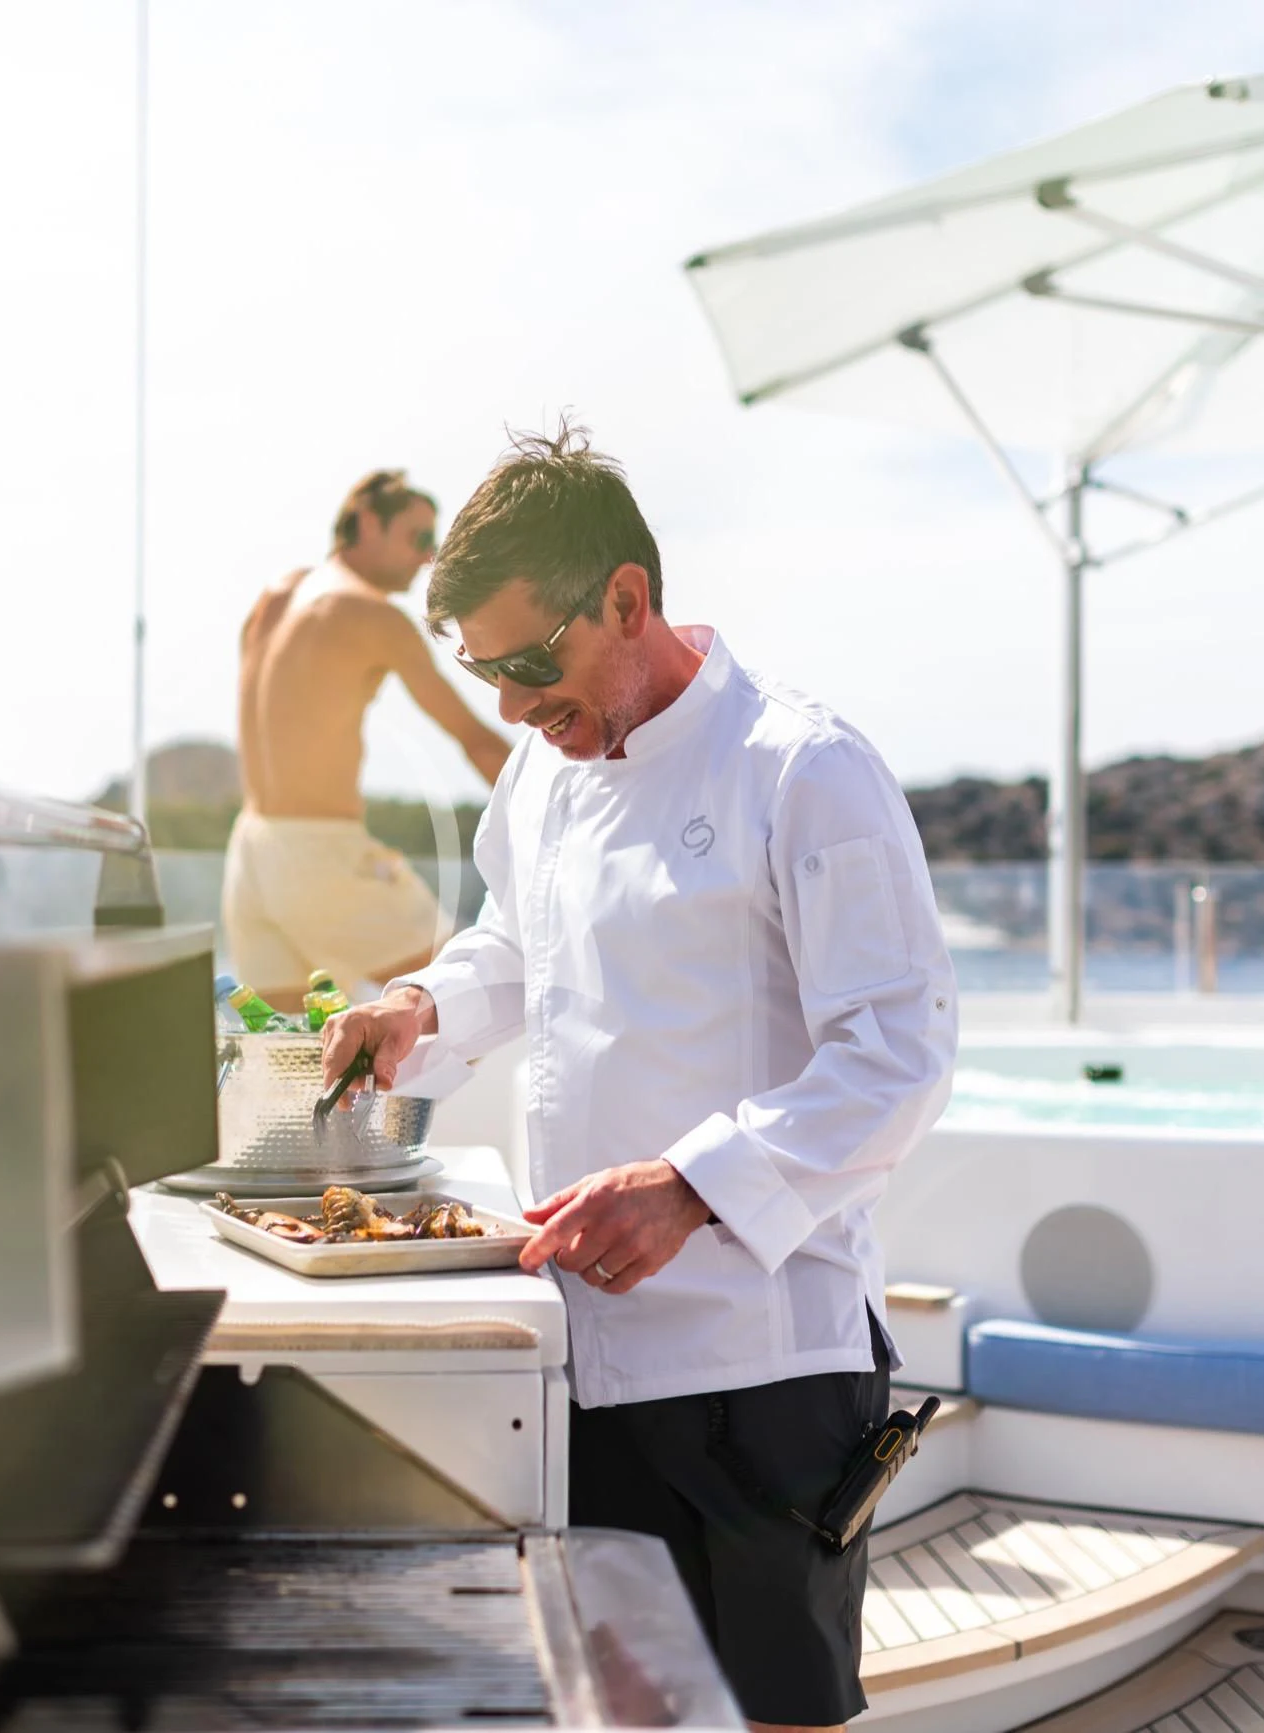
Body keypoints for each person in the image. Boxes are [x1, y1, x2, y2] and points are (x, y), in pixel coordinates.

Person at [319, 424, 956, 1733]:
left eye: (528, 664)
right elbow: (516, 942)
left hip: (762, 1368)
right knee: (615, 1713)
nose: (510, 706)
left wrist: (688, 1186)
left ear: (625, 598)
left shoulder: (803, 767)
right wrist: (418, 1003)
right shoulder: (541, 771)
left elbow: (898, 1054)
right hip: (585, 1351)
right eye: (485, 671)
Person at [225, 469, 510, 1009]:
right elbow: (472, 737)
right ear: (367, 524)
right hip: (320, 855)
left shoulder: (274, 599)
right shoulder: (373, 615)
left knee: (289, 1050)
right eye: (418, 537)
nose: (428, 556)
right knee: (472, 995)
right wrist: (562, 800)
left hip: (251, 854)